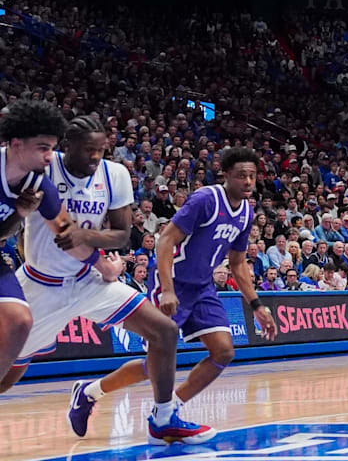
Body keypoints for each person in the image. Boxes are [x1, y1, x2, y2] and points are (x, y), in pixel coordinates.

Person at [0, 112, 213, 444]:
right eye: (88, 150)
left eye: (101, 150)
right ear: (67, 147)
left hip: (91, 280)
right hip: (41, 285)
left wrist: (87, 242)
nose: (96, 157)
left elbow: (121, 235)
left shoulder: (114, 174)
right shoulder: (43, 164)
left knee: (165, 332)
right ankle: (85, 393)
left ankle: (163, 419)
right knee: (7, 374)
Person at [66, 148, 278, 442]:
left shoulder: (246, 212)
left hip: (203, 286)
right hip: (174, 281)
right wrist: (166, 289)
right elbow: (165, 240)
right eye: (241, 175)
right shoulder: (206, 199)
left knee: (223, 351)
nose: (248, 181)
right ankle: (100, 396)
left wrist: (256, 306)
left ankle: (164, 410)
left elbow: (239, 263)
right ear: (226, 175)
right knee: (156, 362)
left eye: (252, 176)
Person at [0, 100, 83, 402]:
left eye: (52, 148)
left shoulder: (38, 184)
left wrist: (20, 215)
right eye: (43, 148)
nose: (50, 157)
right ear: (16, 144)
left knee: (21, 321)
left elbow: (65, 231)